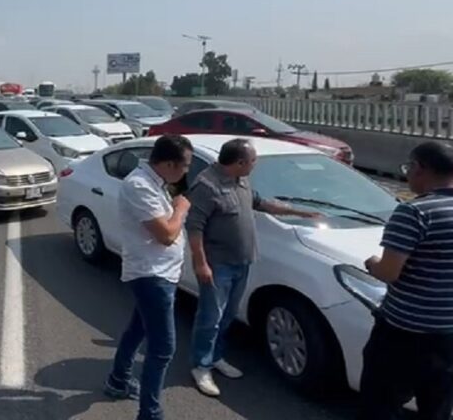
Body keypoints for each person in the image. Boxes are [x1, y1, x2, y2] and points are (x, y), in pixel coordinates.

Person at [186, 138, 320, 397]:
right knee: (210, 318)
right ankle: (200, 366)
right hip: (218, 265)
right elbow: (194, 228)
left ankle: (215, 356)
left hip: (241, 263)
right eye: (253, 160)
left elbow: (259, 202)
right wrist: (201, 263)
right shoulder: (207, 185)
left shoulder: (241, 180)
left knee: (227, 316)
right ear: (239, 162)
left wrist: (301, 213)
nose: (255, 165)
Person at [359, 141, 453, 420]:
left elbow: (389, 272)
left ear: (419, 168)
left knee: (380, 405)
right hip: (448, 335)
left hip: (405, 335)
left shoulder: (414, 212)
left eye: (408, 167)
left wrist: (372, 263)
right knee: (437, 408)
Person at [105, 135, 193, 420]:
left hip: (161, 273)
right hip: (151, 275)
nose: (186, 172)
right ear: (168, 164)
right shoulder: (139, 186)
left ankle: (118, 380)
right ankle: (150, 414)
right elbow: (167, 235)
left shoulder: (156, 182)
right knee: (163, 349)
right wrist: (181, 209)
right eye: (185, 166)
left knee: (137, 330)